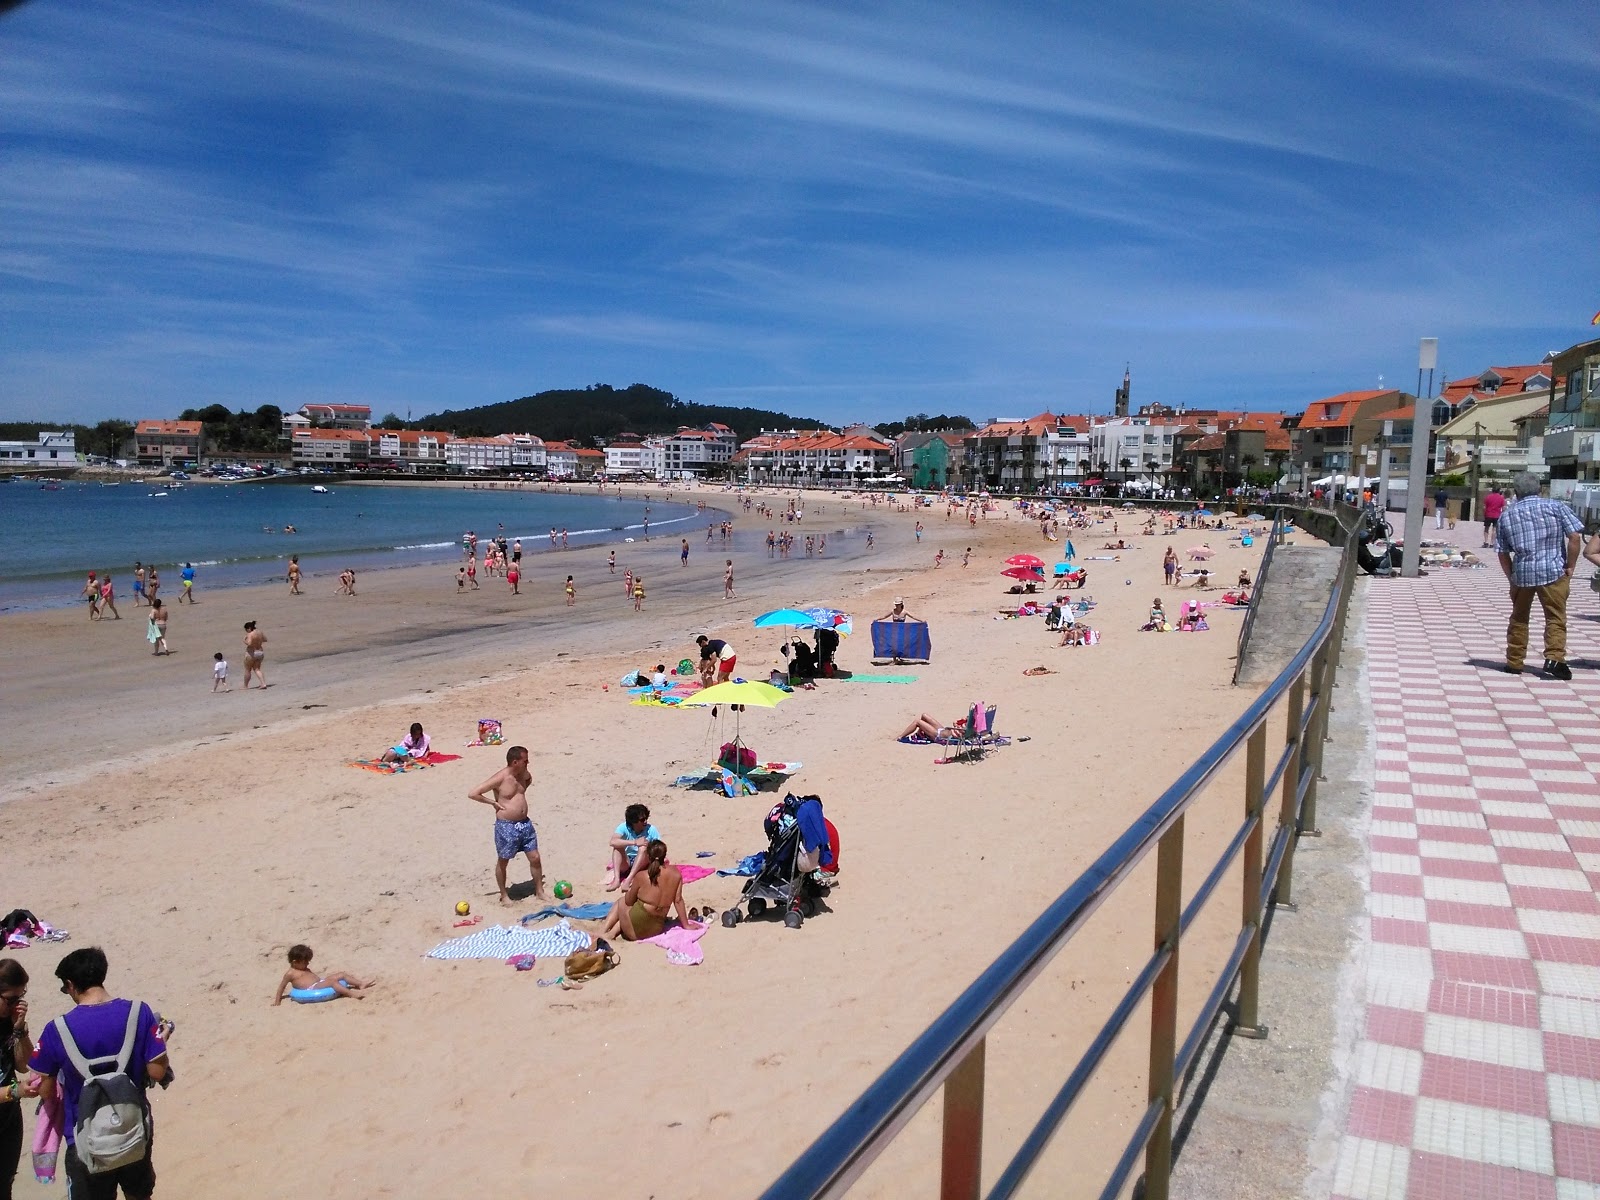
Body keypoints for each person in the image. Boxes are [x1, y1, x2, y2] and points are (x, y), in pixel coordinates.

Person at [29, 947, 170, 1200]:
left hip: (85, 1140)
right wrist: (162, 1041)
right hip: (133, 1130)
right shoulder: (140, 1013)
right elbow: (157, 1072)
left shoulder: (56, 1030)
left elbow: (45, 1090)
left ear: (71, 985)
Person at [1496, 471, 1582, 679]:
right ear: (1540, 489)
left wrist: (1511, 578)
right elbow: (1575, 536)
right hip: (1553, 570)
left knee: (1519, 618)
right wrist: (1570, 565)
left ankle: (1514, 661)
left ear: (1516, 492)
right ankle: (1554, 658)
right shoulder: (1556, 507)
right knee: (1555, 617)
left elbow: (1502, 552)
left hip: (1522, 573)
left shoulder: (1507, 514)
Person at [468, 745, 544, 904]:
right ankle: (504, 895)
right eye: (525, 760)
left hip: (525, 823)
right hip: (507, 826)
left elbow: (528, 781)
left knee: (535, 858)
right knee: (504, 860)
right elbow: (474, 793)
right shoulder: (500, 778)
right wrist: (493, 803)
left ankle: (539, 890)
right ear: (515, 762)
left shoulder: (523, 774)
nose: (528, 762)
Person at [601, 841, 688, 941]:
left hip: (633, 933)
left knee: (621, 902)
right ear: (664, 855)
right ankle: (612, 933)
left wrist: (630, 891)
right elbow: (678, 900)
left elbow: (628, 901)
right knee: (636, 910)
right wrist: (686, 925)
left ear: (647, 856)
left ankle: (603, 931)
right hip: (655, 930)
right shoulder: (676, 873)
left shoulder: (642, 876)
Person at [0, 959, 36, 1200]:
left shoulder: (9, 1023)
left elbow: (24, 1065)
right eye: (11, 1000)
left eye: (21, 999)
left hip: (8, 1120)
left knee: (5, 1185)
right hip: (9, 1101)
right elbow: (18, 1084)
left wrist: (19, 1029)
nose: (17, 1006)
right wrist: (16, 1091)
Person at [272, 945, 374, 1004]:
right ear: (295, 962)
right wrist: (277, 1001)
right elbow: (281, 987)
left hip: (318, 982)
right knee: (332, 982)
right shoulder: (290, 974)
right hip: (311, 989)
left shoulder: (302, 967)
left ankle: (360, 984)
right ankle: (351, 994)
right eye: (305, 962)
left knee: (341, 974)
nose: (307, 964)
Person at [604, 803, 663, 892]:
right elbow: (613, 841)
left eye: (646, 818)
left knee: (643, 848)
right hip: (628, 860)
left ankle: (628, 880)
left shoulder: (651, 829)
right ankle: (616, 880)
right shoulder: (623, 827)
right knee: (617, 847)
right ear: (633, 821)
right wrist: (634, 842)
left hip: (643, 860)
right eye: (642, 820)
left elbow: (659, 847)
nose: (645, 822)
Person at [242, 620, 267, 689]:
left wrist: (244, 640)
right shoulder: (260, 632)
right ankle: (263, 683)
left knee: (248, 669)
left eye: (246, 630)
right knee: (257, 669)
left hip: (252, 653)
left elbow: (249, 643)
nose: (247, 631)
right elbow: (265, 639)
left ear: (249, 628)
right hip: (260, 652)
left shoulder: (250, 634)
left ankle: (245, 686)